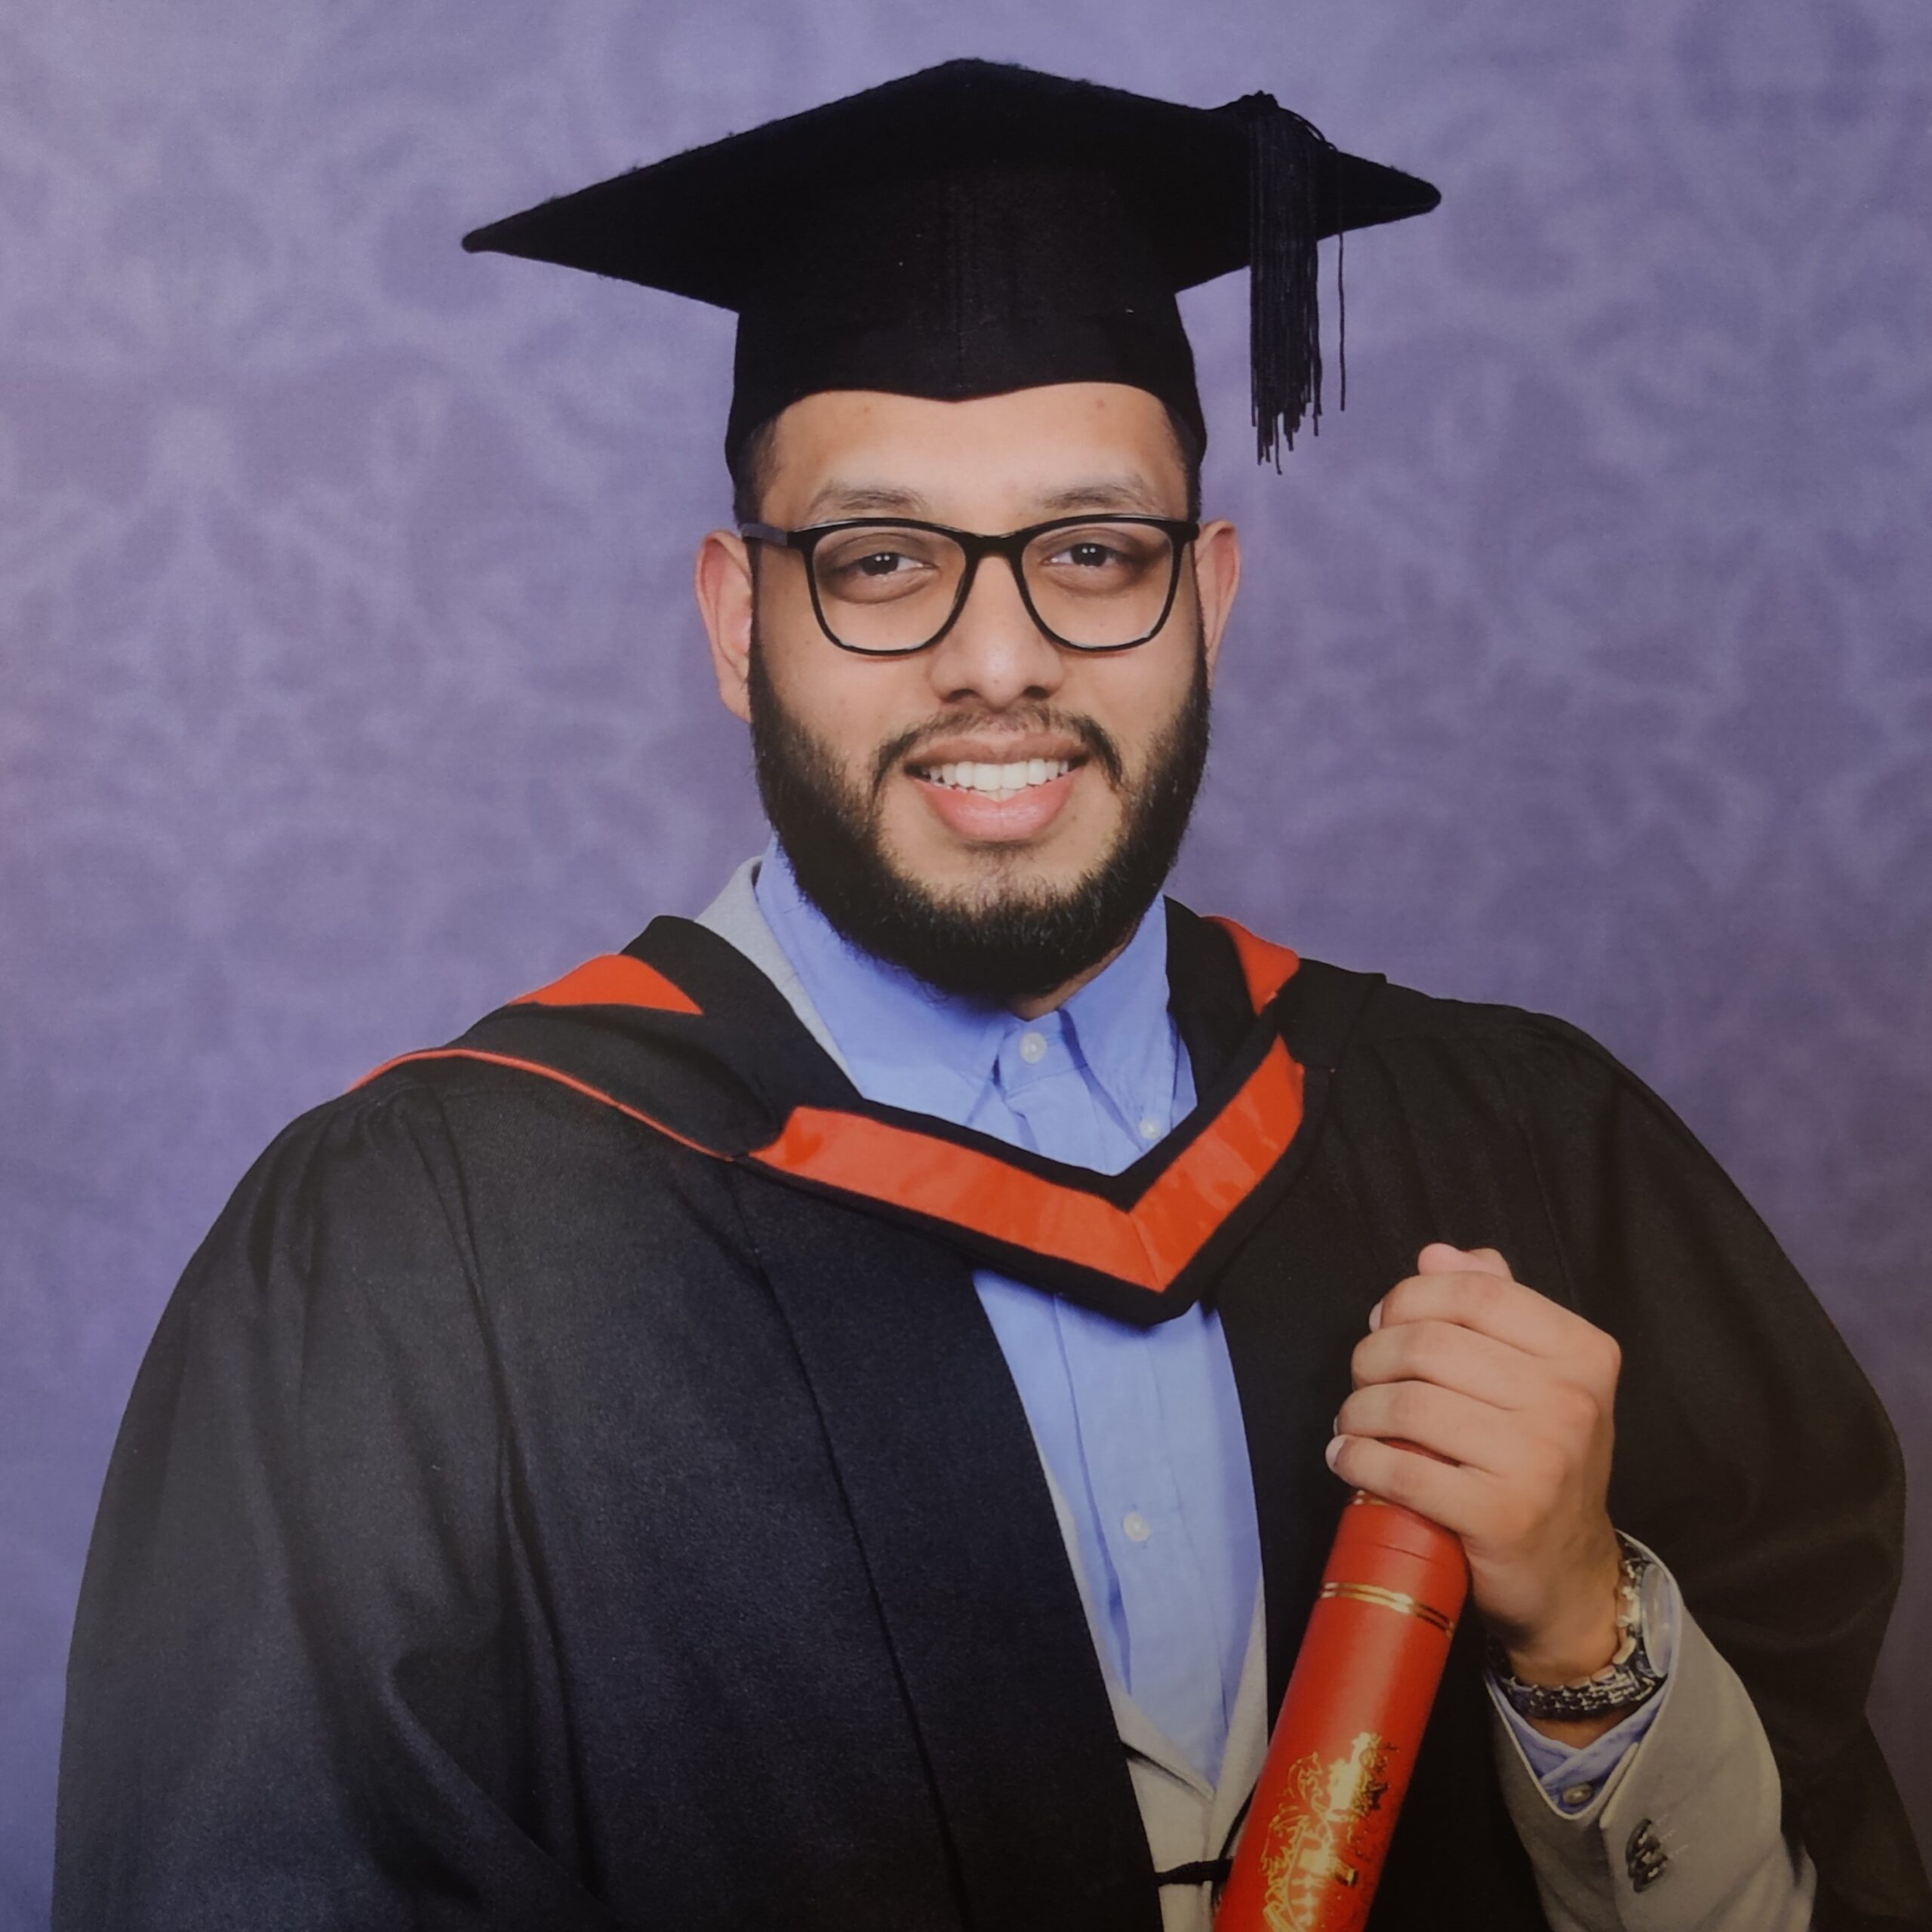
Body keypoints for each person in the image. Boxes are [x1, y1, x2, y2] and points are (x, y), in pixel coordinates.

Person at [54, 58, 1928, 1932]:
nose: (997, 656)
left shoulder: (1519, 1152)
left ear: (1208, 597)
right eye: (878, 562)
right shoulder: (423, 1255)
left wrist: (1590, 1634)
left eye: (1091, 553)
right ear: (737, 620)